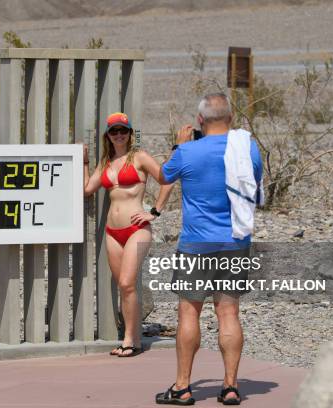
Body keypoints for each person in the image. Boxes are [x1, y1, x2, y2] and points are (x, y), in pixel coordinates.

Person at [154, 93, 263, 406]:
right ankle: (230, 386)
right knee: (228, 313)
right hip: (235, 241)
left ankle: (183, 386)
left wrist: (178, 145)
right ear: (230, 119)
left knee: (189, 312)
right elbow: (254, 185)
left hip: (195, 245)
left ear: (200, 120)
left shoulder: (187, 152)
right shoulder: (247, 149)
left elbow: (163, 175)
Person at [83, 112, 174, 357]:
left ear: (130, 133)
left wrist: (154, 211)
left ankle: (131, 341)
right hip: (112, 232)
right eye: (114, 131)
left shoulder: (140, 157)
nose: (119, 135)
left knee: (126, 282)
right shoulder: (106, 162)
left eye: (123, 130)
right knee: (125, 288)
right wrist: (84, 163)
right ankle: (131, 338)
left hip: (137, 229)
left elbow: (167, 178)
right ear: (108, 136)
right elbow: (87, 190)